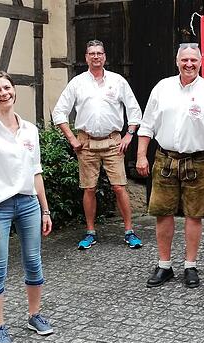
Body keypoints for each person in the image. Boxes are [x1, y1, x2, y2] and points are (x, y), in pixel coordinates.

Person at [136, 43, 204, 289]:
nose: (189, 64)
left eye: (194, 60)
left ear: (201, 62)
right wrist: (141, 156)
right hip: (165, 158)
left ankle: (190, 265)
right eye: (184, 60)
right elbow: (147, 125)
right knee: (162, 213)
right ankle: (164, 265)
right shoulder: (162, 88)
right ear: (176, 61)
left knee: (194, 215)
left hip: (199, 160)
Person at [0, 71, 54, 343]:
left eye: (7, 88)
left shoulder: (30, 129)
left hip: (28, 203)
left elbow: (36, 172)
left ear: (14, 91)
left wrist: (45, 210)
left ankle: (34, 315)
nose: (4, 93)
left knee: (33, 261)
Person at [52, 40, 144, 250]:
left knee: (119, 187)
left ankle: (129, 231)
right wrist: (72, 138)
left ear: (105, 57)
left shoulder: (118, 81)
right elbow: (59, 112)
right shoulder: (77, 83)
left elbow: (134, 111)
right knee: (89, 188)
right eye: (91, 53)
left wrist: (129, 135)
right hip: (86, 144)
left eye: (99, 53)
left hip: (113, 142)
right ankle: (90, 232)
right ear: (86, 58)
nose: (96, 57)